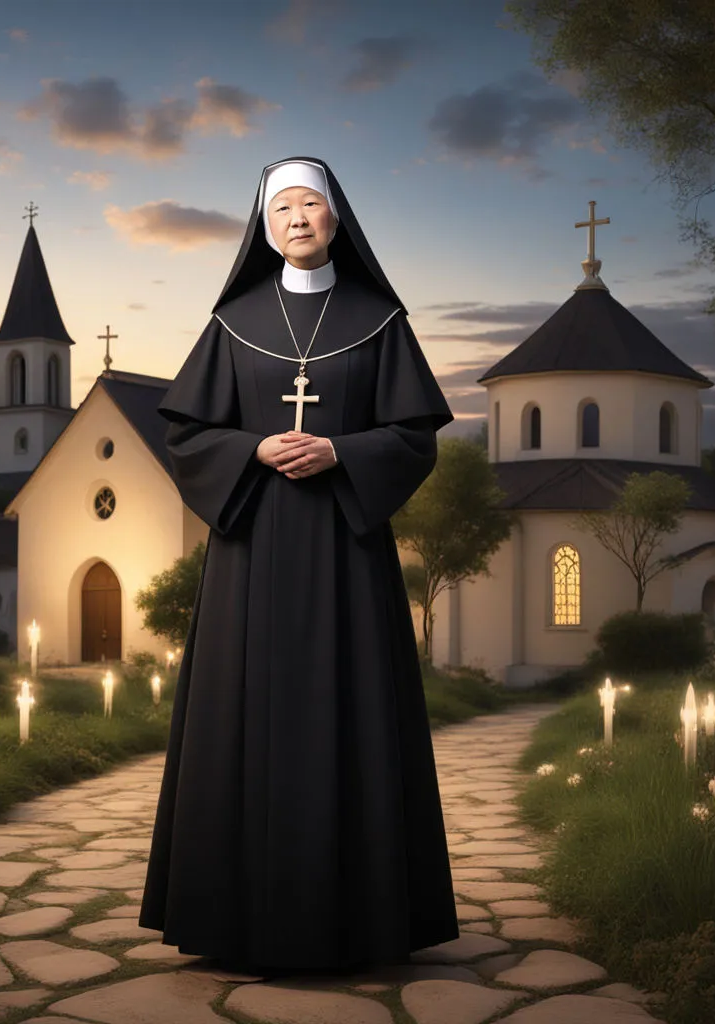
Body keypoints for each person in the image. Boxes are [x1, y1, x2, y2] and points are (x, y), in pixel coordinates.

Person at [138, 156, 459, 975]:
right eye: (281, 207)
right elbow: (188, 437)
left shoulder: (379, 320)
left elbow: (414, 437)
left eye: (309, 203)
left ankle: (357, 917)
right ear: (264, 225)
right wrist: (254, 447)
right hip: (250, 551)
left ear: (336, 215)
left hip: (346, 554)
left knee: (351, 710)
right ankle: (233, 919)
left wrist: (341, 452)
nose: (296, 218)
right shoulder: (234, 320)